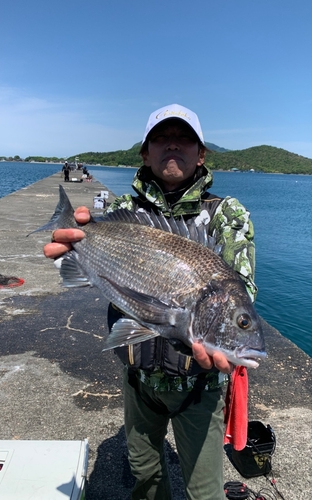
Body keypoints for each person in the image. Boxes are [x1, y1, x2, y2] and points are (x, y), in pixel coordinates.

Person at [44, 104, 257, 500]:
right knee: (145, 476)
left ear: (201, 152)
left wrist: (234, 329)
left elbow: (240, 288)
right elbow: (102, 262)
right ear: (145, 152)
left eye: (184, 138)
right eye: (161, 137)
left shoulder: (227, 214)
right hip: (138, 380)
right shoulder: (124, 211)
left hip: (198, 386)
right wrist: (75, 242)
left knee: (205, 492)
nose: (172, 144)